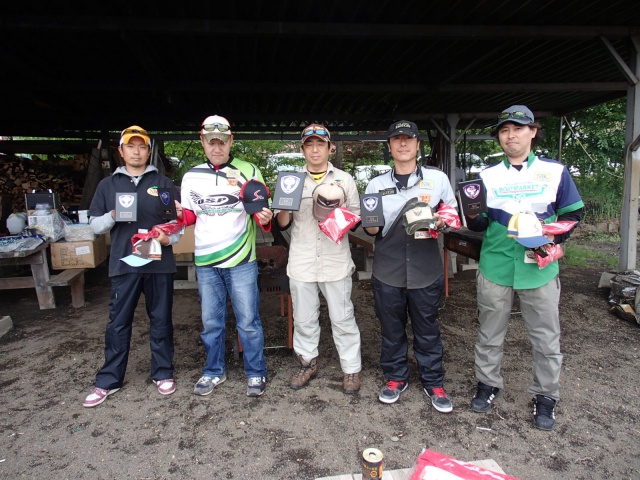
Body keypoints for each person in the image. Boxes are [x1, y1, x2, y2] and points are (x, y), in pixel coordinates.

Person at [465, 105, 583, 431]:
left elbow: (572, 215)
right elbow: (479, 223)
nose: (511, 135)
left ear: (533, 132)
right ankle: (487, 384)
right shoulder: (487, 176)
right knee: (489, 332)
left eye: (518, 128)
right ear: (499, 137)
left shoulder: (555, 172)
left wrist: (551, 234)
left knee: (546, 337)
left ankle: (546, 395)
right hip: (496, 265)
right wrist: (472, 215)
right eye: (504, 130)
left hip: (539, 268)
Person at [83, 126, 183, 408]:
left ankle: (162, 372)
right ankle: (109, 380)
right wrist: (113, 214)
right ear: (121, 151)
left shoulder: (163, 184)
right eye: (131, 147)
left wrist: (168, 237)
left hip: (158, 263)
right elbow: (94, 226)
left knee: (161, 319)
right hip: (124, 264)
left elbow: (177, 228)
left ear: (148, 151)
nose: (137, 152)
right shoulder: (107, 186)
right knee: (118, 323)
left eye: (142, 147)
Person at [364, 120, 458, 412]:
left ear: (418, 145)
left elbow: (453, 214)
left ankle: (434, 382)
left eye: (409, 139)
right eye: (397, 140)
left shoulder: (438, 179)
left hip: (425, 267)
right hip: (388, 268)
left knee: (427, 328)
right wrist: (368, 222)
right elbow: (370, 230)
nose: (403, 144)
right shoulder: (376, 184)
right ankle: (395, 377)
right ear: (390, 146)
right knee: (391, 328)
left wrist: (442, 220)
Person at [180, 115, 272, 398]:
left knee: (248, 320)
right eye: (211, 142)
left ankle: (256, 373)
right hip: (206, 262)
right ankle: (213, 371)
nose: (217, 147)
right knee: (211, 322)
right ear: (203, 142)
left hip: (241, 260)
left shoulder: (249, 170)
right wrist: (168, 214)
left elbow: (262, 214)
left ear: (231, 141)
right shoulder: (190, 176)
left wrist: (265, 217)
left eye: (222, 141)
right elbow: (188, 217)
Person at [275, 124, 363, 394]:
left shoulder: (344, 180)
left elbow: (357, 220)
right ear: (302, 149)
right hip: (302, 260)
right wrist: (284, 208)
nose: (315, 149)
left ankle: (350, 369)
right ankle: (307, 363)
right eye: (309, 145)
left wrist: (336, 215)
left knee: (343, 318)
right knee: (303, 318)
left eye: (320, 144)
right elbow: (282, 224)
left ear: (330, 148)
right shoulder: (290, 181)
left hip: (335, 260)